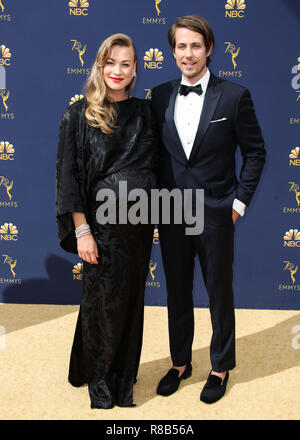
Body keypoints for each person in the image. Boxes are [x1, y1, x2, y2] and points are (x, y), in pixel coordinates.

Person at [151, 15, 266, 403]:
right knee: (177, 292)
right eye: (181, 46)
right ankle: (180, 362)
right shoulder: (159, 95)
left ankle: (220, 367)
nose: (188, 53)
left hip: (216, 212)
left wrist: (237, 204)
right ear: (173, 51)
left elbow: (256, 153)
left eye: (195, 46)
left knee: (219, 292)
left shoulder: (234, 96)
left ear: (209, 49)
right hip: (170, 212)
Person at [56, 33, 158, 409]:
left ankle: (124, 381)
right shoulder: (77, 115)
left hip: (140, 227)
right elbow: (69, 177)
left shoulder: (147, 112)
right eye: (111, 62)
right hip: (99, 228)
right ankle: (99, 382)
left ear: (135, 69)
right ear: (100, 66)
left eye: (126, 64)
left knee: (130, 302)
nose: (118, 71)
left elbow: (159, 165)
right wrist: (82, 230)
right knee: (100, 304)